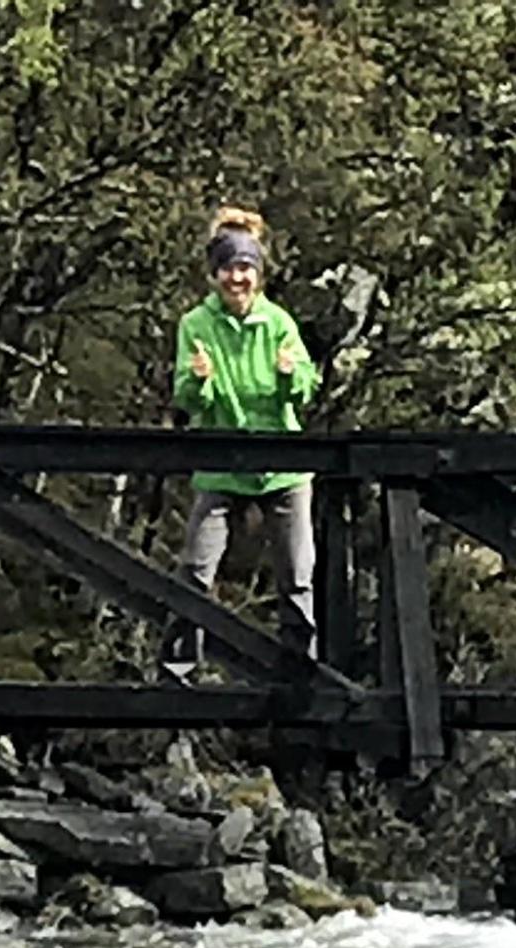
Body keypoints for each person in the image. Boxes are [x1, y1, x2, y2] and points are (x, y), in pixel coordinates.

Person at [164, 206, 320, 678]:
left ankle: (303, 672)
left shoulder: (278, 323)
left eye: (247, 268)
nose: (239, 278)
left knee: (297, 574)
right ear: (214, 273)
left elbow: (306, 389)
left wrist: (292, 376)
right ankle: (179, 671)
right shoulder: (196, 324)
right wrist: (200, 382)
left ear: (259, 273)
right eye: (230, 267)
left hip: (282, 461)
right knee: (196, 567)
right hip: (221, 457)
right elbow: (186, 399)